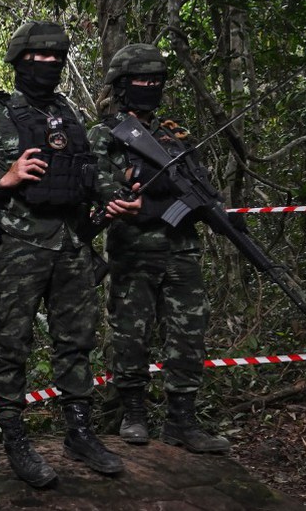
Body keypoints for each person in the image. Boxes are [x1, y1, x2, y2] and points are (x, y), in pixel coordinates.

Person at [0, 21, 137, 487]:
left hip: (72, 247)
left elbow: (89, 173)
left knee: (76, 343)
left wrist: (115, 195)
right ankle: (15, 440)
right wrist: (0, 179)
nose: (48, 66)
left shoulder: (68, 115)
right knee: (11, 346)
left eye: (56, 59)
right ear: (18, 62)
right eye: (38, 58)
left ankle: (79, 432)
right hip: (20, 251)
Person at [87, 43, 231, 453]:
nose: (148, 86)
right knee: (131, 332)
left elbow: (201, 186)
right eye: (139, 80)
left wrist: (221, 213)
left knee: (189, 334)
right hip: (134, 249)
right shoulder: (106, 134)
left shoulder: (175, 133)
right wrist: (143, 201)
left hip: (183, 249)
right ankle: (133, 413)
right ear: (120, 85)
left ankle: (182, 421)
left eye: (155, 80)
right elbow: (100, 186)